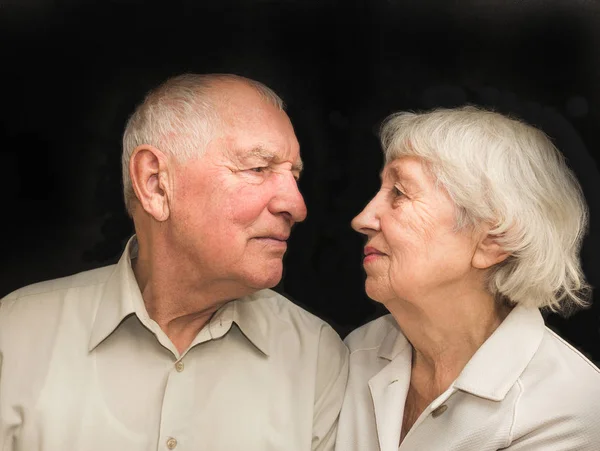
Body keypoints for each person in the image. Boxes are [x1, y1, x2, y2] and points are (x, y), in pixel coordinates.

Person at [0, 74, 348, 451]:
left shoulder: (315, 358)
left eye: (294, 175)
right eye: (258, 169)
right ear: (155, 184)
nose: (296, 206)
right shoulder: (15, 336)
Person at [335, 106, 600, 451]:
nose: (363, 218)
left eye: (399, 192)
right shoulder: (360, 350)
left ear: (493, 241)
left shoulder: (567, 410)